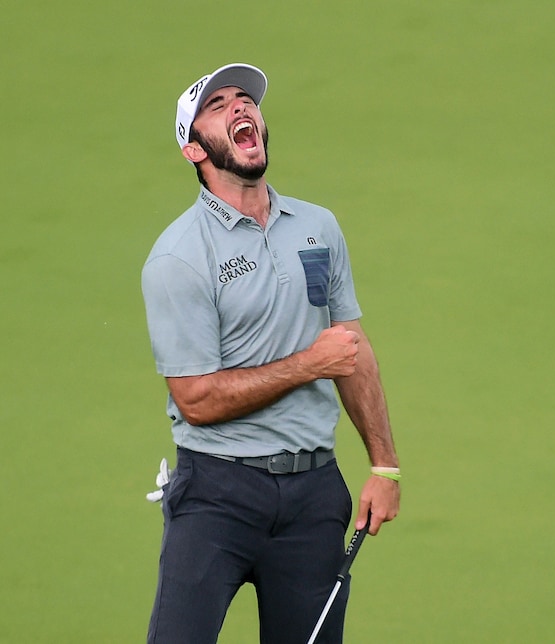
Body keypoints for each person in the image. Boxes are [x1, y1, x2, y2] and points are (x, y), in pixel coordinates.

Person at [141, 63, 401, 644]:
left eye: (245, 101)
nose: (240, 109)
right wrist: (310, 364)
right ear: (193, 150)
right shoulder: (177, 258)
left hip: (313, 498)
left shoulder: (318, 228)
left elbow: (353, 351)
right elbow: (197, 399)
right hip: (215, 497)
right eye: (217, 106)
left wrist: (384, 464)